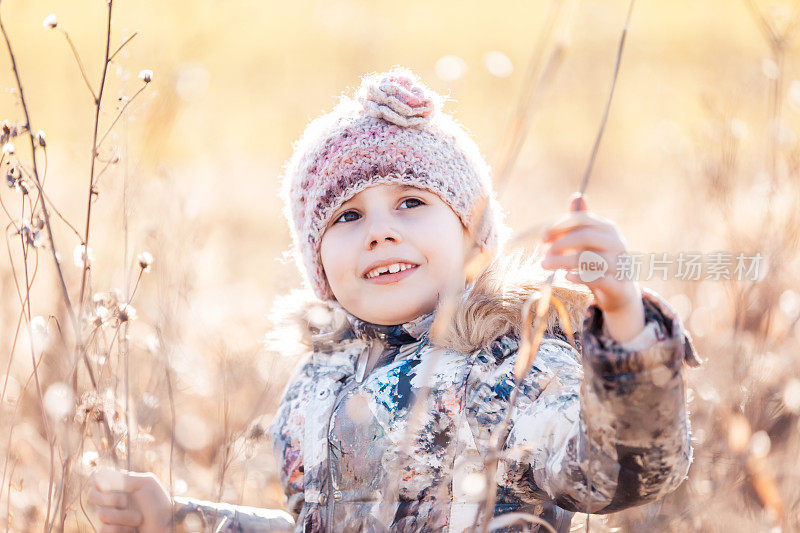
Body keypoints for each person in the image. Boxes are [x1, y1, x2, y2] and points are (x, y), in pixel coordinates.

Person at [87, 66, 701, 532]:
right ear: (319, 264)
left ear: (471, 235)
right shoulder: (317, 385)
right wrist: (177, 519)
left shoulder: (510, 366)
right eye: (347, 214)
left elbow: (624, 473)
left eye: (411, 201)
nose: (380, 230)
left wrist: (624, 327)